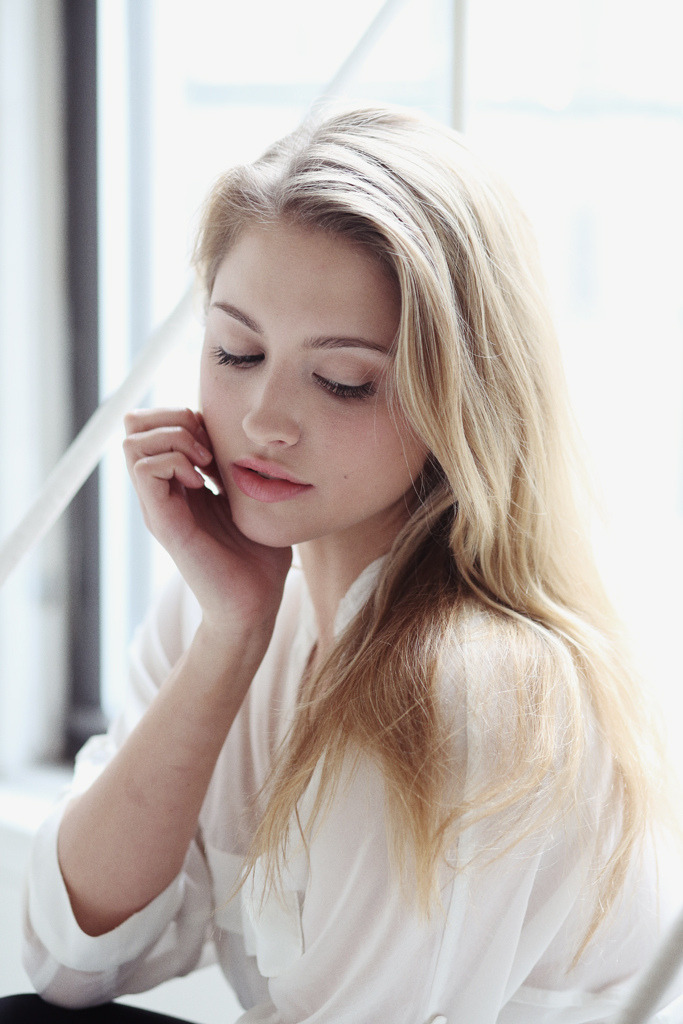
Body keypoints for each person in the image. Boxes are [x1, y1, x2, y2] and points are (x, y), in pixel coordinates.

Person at [8, 104, 683, 1024]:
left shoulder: (465, 687)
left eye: (343, 382)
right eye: (236, 351)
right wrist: (228, 640)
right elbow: (71, 963)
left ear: (458, 401)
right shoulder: (231, 605)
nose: (263, 420)